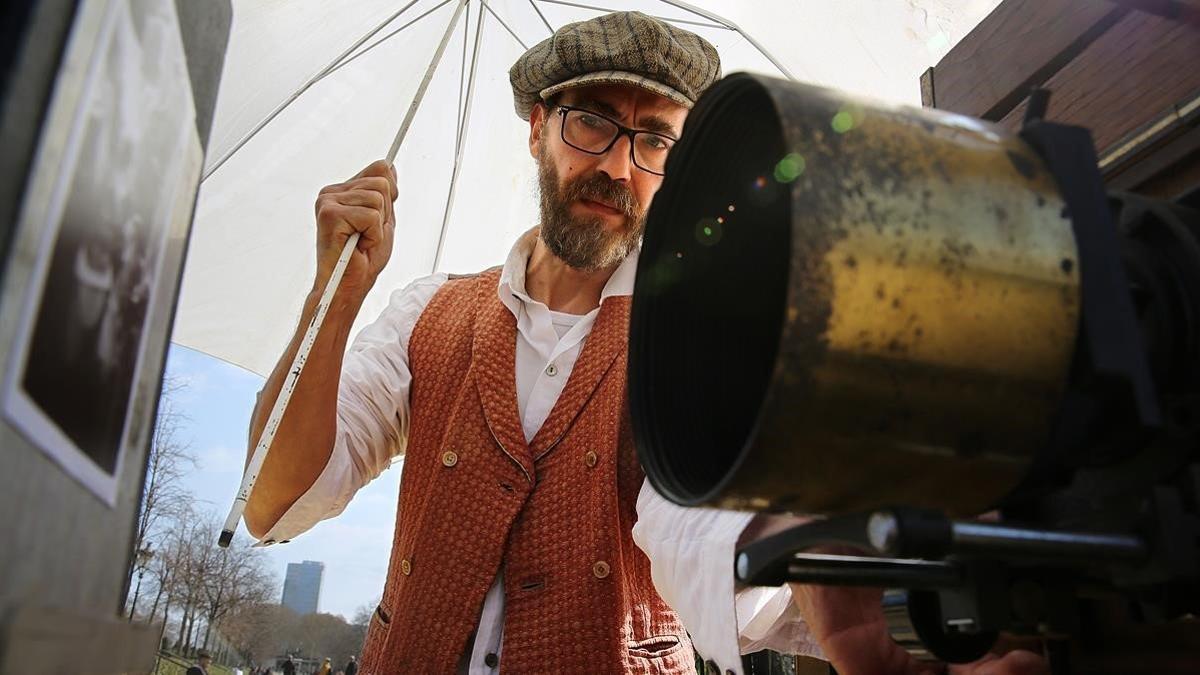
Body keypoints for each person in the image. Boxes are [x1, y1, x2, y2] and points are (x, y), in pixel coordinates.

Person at [243, 10, 1046, 675]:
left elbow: (700, 521)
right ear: (538, 130)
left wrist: (840, 574)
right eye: (593, 122)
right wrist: (334, 297)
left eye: (656, 141)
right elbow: (275, 497)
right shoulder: (428, 311)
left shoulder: (696, 343)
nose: (620, 169)